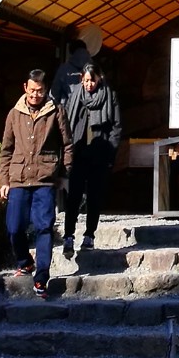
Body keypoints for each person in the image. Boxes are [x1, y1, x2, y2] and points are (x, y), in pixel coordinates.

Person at [0, 67, 72, 297]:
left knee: (44, 227)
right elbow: (6, 149)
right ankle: (24, 261)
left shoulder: (56, 111)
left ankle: (41, 277)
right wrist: (4, 179)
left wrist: (64, 174)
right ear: (25, 88)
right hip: (19, 178)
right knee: (14, 227)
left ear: (45, 90)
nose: (35, 95)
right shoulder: (14, 113)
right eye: (32, 91)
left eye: (39, 91)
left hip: (45, 179)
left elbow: (67, 145)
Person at [61, 59, 123, 257]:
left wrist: (110, 151)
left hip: (99, 152)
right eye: (86, 81)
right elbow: (66, 123)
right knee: (74, 197)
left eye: (92, 81)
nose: (89, 85)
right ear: (82, 79)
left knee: (95, 197)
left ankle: (90, 234)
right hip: (78, 151)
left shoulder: (109, 96)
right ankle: (69, 235)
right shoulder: (75, 95)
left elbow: (116, 127)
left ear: (99, 79)